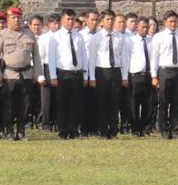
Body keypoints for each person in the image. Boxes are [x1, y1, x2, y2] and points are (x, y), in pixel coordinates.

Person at [0, 7, 38, 141]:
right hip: (9, 75)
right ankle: (8, 130)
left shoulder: (29, 34)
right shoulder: (2, 35)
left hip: (26, 74)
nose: (16, 20)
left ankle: (21, 130)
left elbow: (36, 56)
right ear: (8, 20)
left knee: (25, 104)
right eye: (13, 17)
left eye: (18, 17)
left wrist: (37, 74)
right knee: (8, 104)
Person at [149, 11, 178, 139]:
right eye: (171, 22)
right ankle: (163, 129)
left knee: (177, 102)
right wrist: (154, 76)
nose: (173, 24)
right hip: (164, 71)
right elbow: (154, 58)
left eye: (175, 21)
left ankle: (174, 130)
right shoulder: (159, 37)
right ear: (165, 22)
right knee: (163, 101)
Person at [45, 9, 86, 138]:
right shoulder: (55, 37)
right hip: (63, 73)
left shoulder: (79, 36)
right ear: (62, 20)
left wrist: (85, 74)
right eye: (68, 19)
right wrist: (53, 76)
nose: (70, 22)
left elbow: (83, 56)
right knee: (62, 103)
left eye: (72, 19)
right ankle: (63, 130)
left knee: (76, 103)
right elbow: (51, 58)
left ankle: (73, 129)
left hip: (77, 73)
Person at [91, 8, 126, 139]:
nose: (110, 22)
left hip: (116, 71)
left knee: (114, 102)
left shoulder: (119, 37)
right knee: (102, 102)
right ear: (102, 21)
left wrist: (124, 76)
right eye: (107, 19)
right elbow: (92, 58)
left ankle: (114, 130)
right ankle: (103, 130)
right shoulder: (97, 37)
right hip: (102, 71)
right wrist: (92, 77)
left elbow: (123, 57)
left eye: (112, 19)